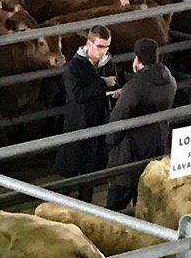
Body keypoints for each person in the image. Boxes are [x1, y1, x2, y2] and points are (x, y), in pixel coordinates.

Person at [104, 39, 179, 211]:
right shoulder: (170, 80)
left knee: (115, 205)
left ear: (137, 59)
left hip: (130, 151)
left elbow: (119, 115)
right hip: (157, 144)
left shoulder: (136, 85)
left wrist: (110, 141)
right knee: (146, 201)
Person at [60, 26, 116, 189]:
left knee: (90, 168)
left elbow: (113, 84)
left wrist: (116, 92)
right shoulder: (73, 67)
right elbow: (77, 95)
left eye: (107, 47)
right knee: (71, 165)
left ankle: (86, 197)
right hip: (77, 121)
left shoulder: (108, 63)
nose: (103, 51)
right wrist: (103, 83)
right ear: (89, 43)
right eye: (100, 46)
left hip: (98, 119)